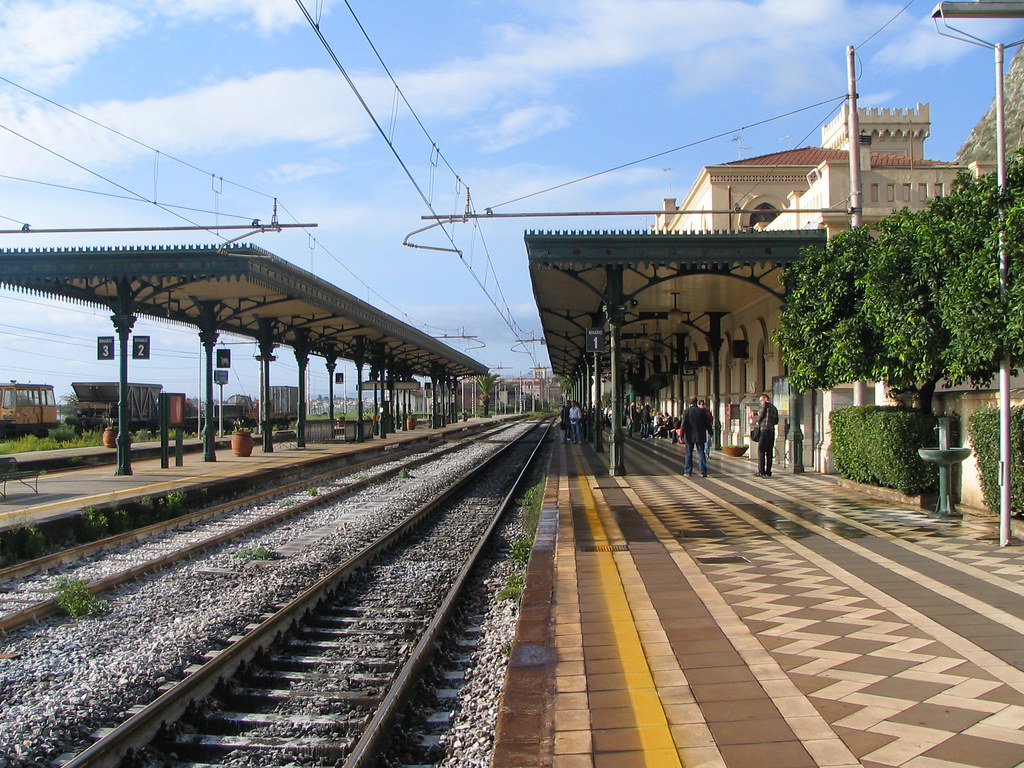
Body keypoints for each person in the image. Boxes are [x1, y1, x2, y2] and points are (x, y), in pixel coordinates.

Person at [681, 396, 712, 477]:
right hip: (700, 434)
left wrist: (681, 435)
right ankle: (703, 471)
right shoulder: (701, 411)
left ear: (689, 402)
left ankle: (688, 471)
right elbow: (707, 423)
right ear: (696, 402)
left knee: (688, 453)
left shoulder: (686, 412)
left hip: (689, 435)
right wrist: (710, 432)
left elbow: (683, 424)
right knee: (701, 452)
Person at [753, 392, 779, 477]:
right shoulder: (774, 408)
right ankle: (768, 471)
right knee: (769, 452)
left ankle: (761, 471)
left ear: (764, 399)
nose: (760, 402)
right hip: (771, 431)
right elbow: (776, 421)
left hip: (764, 430)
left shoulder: (764, 406)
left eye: (761, 400)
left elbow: (761, 414)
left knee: (761, 451)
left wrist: (758, 422)